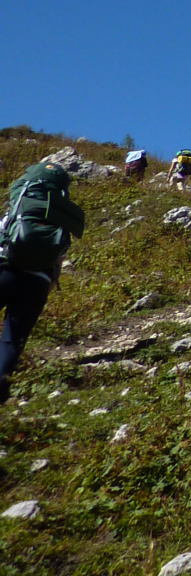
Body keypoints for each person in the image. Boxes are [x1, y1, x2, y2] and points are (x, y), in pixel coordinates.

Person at [0, 162, 84, 405]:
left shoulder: (18, 207)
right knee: (12, 340)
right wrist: (44, 288)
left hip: (5, 270)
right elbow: (59, 257)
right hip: (38, 281)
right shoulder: (61, 216)